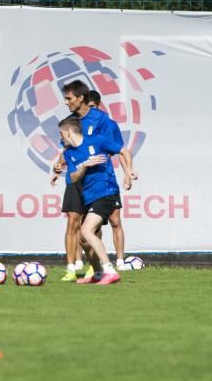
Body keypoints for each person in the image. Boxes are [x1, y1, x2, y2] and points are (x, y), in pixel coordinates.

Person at [59, 116, 123, 285]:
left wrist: (129, 170)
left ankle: (110, 270)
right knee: (83, 239)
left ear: (68, 132)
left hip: (107, 193)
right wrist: (86, 165)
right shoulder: (69, 153)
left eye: (61, 134)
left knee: (87, 230)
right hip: (89, 197)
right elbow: (73, 177)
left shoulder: (98, 140)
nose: (60, 138)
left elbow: (123, 150)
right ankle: (97, 273)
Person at [85, 90, 136, 269]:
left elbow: (120, 151)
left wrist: (128, 172)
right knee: (91, 228)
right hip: (88, 182)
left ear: (99, 106)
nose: (90, 111)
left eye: (92, 107)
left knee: (115, 221)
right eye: (87, 107)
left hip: (107, 180)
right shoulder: (79, 125)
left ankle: (120, 261)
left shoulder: (109, 124)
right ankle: (95, 264)